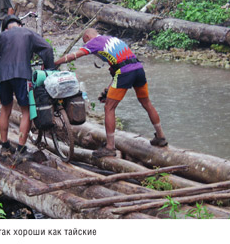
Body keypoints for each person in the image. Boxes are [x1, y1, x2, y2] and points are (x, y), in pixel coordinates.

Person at [54, 28, 168, 158]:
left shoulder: (94, 42)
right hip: (138, 69)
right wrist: (108, 91)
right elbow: (117, 70)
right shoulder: (112, 40)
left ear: (87, 37)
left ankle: (110, 147)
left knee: (109, 107)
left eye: (85, 42)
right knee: (146, 103)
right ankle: (160, 137)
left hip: (125, 72)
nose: (86, 46)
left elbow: (74, 56)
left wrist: (55, 62)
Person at [0, 15, 55, 161]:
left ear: (6, 27)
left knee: (5, 109)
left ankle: (5, 146)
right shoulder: (28, 33)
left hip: (3, 76)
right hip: (22, 75)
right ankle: (20, 149)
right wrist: (50, 68)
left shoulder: (1, 36)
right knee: (26, 111)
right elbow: (47, 48)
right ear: (19, 24)